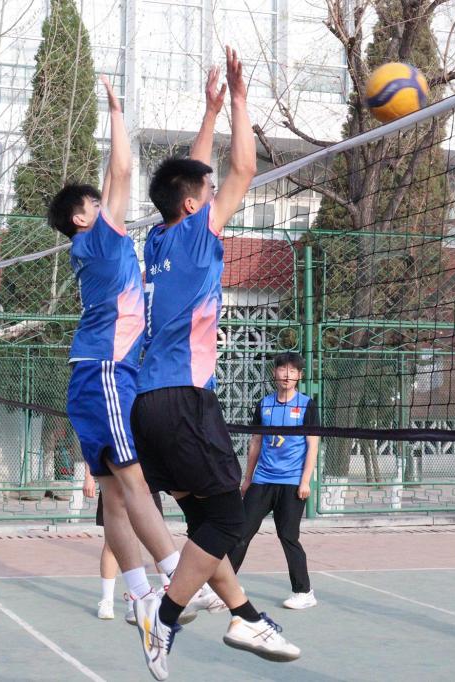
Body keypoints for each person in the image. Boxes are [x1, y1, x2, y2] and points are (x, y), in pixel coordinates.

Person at [130, 47, 300, 680]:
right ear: (194, 205)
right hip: (183, 399)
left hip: (149, 403)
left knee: (205, 520)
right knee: (229, 517)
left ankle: (245, 615)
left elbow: (192, 175)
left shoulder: (158, 237)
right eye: (205, 190)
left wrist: (208, 113)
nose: (211, 189)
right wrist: (240, 100)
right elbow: (244, 166)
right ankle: (163, 616)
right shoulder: (200, 233)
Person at [51, 76, 213, 638]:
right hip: (106, 370)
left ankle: (140, 596)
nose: (106, 204)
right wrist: (117, 112)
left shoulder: (98, 246)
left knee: (116, 497)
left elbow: (153, 184)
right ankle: (175, 575)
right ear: (82, 218)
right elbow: (120, 172)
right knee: (134, 483)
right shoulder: (100, 239)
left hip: (93, 372)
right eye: (94, 204)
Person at [228, 352, 319, 610]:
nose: (287, 375)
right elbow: (256, 442)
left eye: (293, 371)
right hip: (263, 480)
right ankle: (226, 585)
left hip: (292, 482)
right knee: (241, 533)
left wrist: (305, 481)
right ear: (274, 373)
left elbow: (312, 446)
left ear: (300, 375)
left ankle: (303, 592)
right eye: (282, 369)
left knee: (288, 536)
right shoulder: (264, 404)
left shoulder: (307, 405)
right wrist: (248, 479)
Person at [83, 465, 169, 623]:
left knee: (157, 539)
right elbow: (91, 449)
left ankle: (166, 590)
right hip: (112, 482)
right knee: (112, 544)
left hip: (143, 482)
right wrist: (88, 476)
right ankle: (107, 600)